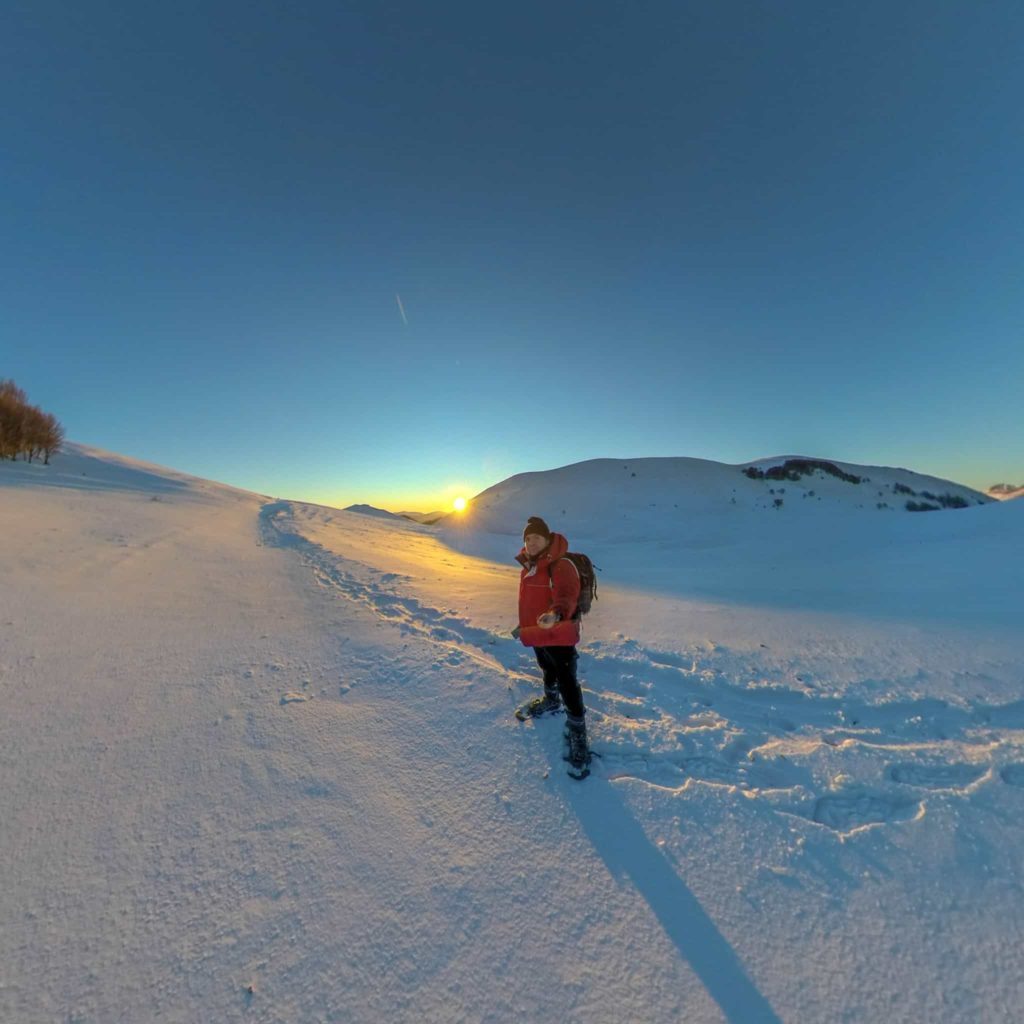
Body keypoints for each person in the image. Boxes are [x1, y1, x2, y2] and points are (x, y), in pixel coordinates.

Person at [513, 516, 590, 771]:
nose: (531, 542)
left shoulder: (561, 564)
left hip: (559, 634)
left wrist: (556, 615)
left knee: (568, 680)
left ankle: (578, 732)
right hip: (538, 633)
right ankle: (551, 700)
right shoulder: (530, 565)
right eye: (527, 538)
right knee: (546, 668)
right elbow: (530, 601)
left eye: (535, 537)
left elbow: (567, 596)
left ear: (547, 539)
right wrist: (524, 627)